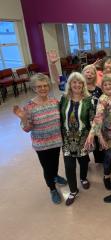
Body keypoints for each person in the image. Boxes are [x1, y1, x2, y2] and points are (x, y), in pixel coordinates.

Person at [12, 73, 67, 204]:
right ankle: (52, 189)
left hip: (56, 141)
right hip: (41, 145)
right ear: (34, 88)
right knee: (47, 167)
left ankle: (55, 175)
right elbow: (27, 129)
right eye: (39, 86)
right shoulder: (29, 107)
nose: (43, 88)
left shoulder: (54, 102)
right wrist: (24, 118)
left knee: (54, 163)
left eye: (45, 85)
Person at [60, 72, 94, 206]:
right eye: (74, 82)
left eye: (80, 82)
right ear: (70, 84)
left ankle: (83, 178)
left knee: (84, 161)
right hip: (67, 139)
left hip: (83, 138)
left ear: (83, 84)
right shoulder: (64, 98)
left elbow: (92, 119)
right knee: (69, 166)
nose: (77, 85)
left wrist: (92, 134)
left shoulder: (88, 99)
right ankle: (73, 190)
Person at [86, 74, 111, 190]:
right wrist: (96, 135)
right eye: (105, 84)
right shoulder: (103, 99)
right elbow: (98, 118)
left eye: (110, 84)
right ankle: (106, 177)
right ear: (102, 87)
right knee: (108, 157)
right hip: (108, 135)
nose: (108, 86)